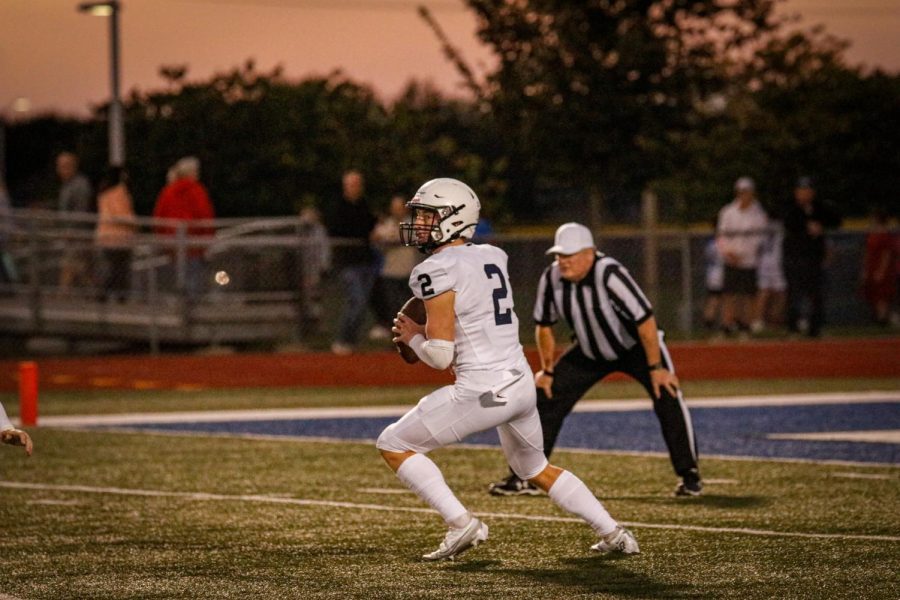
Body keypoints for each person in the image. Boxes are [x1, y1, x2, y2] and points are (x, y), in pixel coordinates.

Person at [379, 180, 639, 561]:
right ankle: (614, 533)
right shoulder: (492, 255)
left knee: (393, 444)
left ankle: (460, 522)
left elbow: (438, 356)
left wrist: (415, 337)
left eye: (429, 216)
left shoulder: (434, 270)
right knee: (535, 468)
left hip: (483, 390)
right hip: (519, 381)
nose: (420, 224)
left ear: (455, 219)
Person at [488, 222, 702, 497]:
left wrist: (657, 368)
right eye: (559, 255)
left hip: (635, 347)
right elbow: (544, 326)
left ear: (589, 254)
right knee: (545, 397)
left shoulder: (610, 274)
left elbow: (645, 321)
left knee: (668, 396)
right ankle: (524, 476)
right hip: (589, 350)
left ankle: (690, 474)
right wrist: (548, 371)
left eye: (569, 255)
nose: (562, 262)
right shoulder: (551, 278)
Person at [324, 170, 378, 355]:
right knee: (357, 300)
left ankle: (350, 340)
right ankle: (343, 338)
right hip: (347, 262)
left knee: (359, 303)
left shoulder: (363, 204)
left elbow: (371, 224)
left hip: (365, 260)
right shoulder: (338, 206)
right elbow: (339, 228)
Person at [783, 176, 842, 337]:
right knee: (794, 294)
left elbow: (836, 220)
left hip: (814, 259)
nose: (804, 194)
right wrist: (806, 225)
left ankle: (815, 328)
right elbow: (789, 223)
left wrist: (820, 225)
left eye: (807, 190)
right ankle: (793, 328)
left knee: (816, 295)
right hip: (794, 259)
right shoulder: (791, 208)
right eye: (801, 190)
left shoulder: (819, 207)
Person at [152, 157, 216, 300]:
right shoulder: (197, 190)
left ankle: (181, 308)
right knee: (194, 279)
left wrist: (162, 240)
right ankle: (190, 313)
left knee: (178, 279)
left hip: (173, 245)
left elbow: (159, 217)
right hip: (194, 244)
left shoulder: (168, 192)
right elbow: (205, 216)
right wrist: (207, 241)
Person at [715, 177, 768, 337]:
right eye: (741, 192)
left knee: (748, 295)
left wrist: (744, 254)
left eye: (747, 192)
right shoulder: (728, 211)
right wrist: (728, 253)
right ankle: (727, 326)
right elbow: (721, 235)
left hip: (749, 260)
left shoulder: (758, 213)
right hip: (730, 258)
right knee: (729, 294)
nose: (744, 195)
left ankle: (746, 326)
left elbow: (760, 238)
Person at [368, 194, 420, 340]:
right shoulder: (386, 223)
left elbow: (405, 237)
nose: (397, 211)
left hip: (409, 271)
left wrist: (391, 237)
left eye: (400, 207)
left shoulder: (413, 223)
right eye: (394, 208)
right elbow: (376, 239)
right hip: (390, 272)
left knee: (411, 307)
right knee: (393, 307)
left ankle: (414, 337)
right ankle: (398, 338)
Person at [94, 166, 137, 303]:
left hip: (105, 236)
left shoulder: (103, 193)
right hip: (119, 237)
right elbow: (121, 214)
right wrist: (136, 223)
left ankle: (107, 294)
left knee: (113, 268)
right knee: (119, 269)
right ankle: (115, 296)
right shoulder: (119, 193)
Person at [56, 151, 94, 291]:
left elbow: (81, 211)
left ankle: (61, 297)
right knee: (82, 270)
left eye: (65, 166)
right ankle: (96, 296)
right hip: (72, 235)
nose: (61, 170)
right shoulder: (66, 186)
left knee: (70, 266)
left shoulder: (80, 185)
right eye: (59, 166)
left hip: (78, 235)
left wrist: (70, 230)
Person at [752, 210, 786, 333]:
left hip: (764, 263)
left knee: (764, 293)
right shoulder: (781, 227)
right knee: (780, 293)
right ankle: (774, 320)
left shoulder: (762, 227)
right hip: (777, 263)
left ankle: (758, 321)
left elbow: (757, 246)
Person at [861, 209, 897, 326]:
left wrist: (881, 270)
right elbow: (867, 253)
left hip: (881, 267)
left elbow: (886, 254)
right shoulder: (872, 234)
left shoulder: (886, 235)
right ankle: (878, 317)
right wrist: (865, 270)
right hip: (872, 266)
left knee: (882, 295)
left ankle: (883, 319)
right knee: (873, 294)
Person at [701, 221, 724, 332]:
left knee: (714, 300)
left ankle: (710, 324)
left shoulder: (711, 242)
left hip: (712, 274)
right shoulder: (719, 243)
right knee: (716, 300)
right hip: (719, 274)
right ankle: (711, 324)